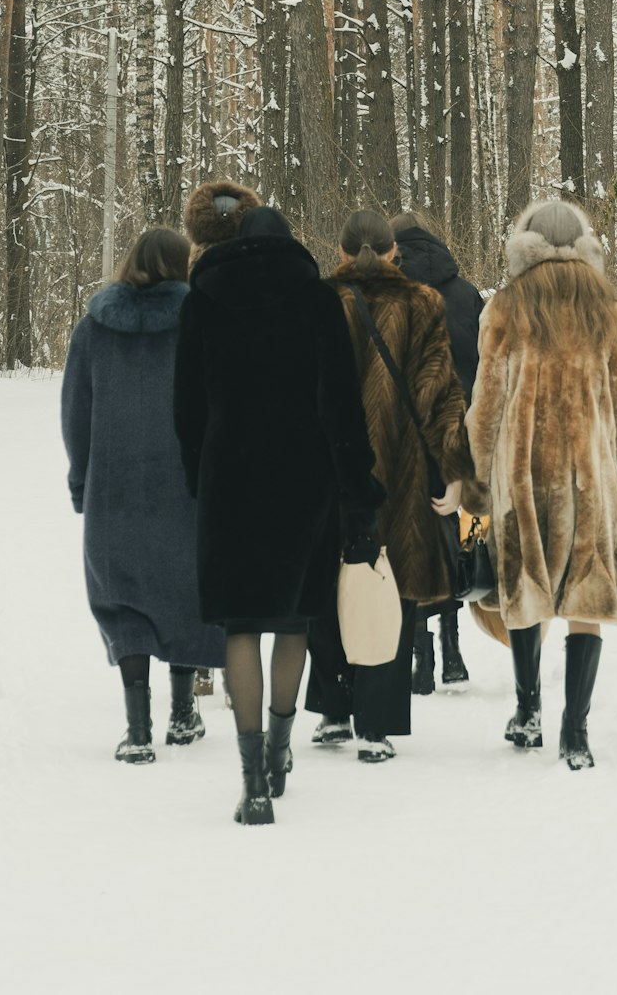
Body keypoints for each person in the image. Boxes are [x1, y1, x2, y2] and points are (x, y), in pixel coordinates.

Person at [173, 206, 381, 825]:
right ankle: (280, 748)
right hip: (304, 481)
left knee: (241, 627)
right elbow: (343, 405)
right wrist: (357, 489)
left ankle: (252, 782)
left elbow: (186, 407)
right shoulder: (318, 301)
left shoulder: (202, 299)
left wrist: (198, 478)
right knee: (293, 623)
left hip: (229, 479)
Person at [465, 199, 617, 770]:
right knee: (586, 594)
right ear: (583, 244)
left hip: (523, 477)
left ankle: (528, 711)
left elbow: (487, 405)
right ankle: (574, 734)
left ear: (526, 245)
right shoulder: (609, 307)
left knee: (527, 589)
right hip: (590, 477)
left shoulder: (505, 307)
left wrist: (476, 484)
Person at [306, 209, 476, 763]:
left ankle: (333, 710)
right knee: (392, 587)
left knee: (333, 581)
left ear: (340, 247)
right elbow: (439, 393)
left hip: (330, 469)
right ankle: (375, 726)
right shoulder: (421, 304)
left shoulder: (317, 302)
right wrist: (453, 472)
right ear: (393, 252)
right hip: (400, 473)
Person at [61, 226, 226, 764]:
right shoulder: (200, 323)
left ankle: (137, 731)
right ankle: (182, 714)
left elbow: (75, 413)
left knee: (121, 600)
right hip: (184, 485)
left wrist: (81, 479)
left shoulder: (93, 328)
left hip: (115, 489)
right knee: (187, 592)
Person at [391, 209, 485, 691]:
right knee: (450, 530)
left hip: (407, 429)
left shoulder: (391, 294)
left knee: (408, 537)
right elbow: (485, 359)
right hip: (460, 420)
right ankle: (452, 652)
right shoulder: (466, 292)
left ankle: (420, 655)